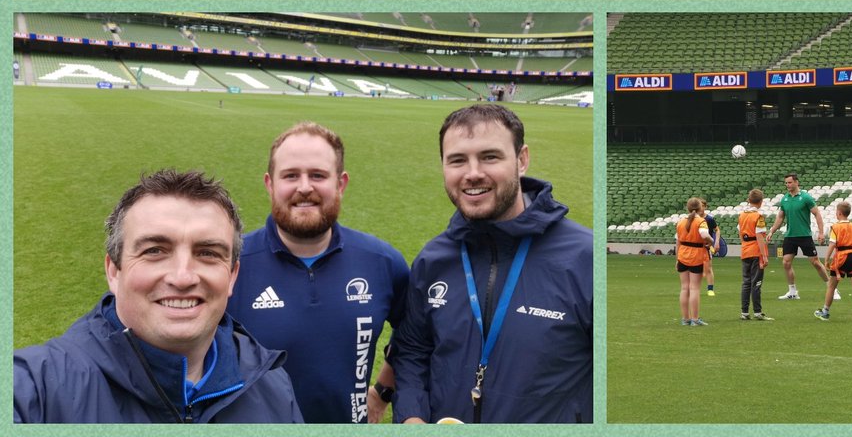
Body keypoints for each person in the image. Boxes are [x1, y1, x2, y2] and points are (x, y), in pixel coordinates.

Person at [13, 168, 304, 423]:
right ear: (114, 271)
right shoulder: (35, 390)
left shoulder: (273, 387)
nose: (182, 277)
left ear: (231, 276)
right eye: (155, 251)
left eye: (207, 253)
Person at [389, 103, 592, 423]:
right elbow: (413, 351)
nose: (472, 173)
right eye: (457, 160)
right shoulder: (433, 260)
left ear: (522, 160)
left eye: (490, 157)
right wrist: (411, 416)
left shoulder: (584, 259)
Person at [226, 124, 410, 424]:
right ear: (269, 184)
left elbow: (417, 337)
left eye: (318, 175)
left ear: (341, 183)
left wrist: (382, 391)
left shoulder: (382, 262)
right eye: (290, 175)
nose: (304, 187)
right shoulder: (231, 265)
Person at [766, 173, 835, 301]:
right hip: (790, 236)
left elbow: (817, 214)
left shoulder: (806, 197)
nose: (787, 185)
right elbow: (780, 217)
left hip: (804, 235)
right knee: (786, 262)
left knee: (815, 262)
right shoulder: (785, 199)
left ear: (797, 182)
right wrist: (771, 231)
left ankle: (832, 288)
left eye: (790, 182)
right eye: (786, 183)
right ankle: (792, 291)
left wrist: (821, 232)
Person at [813, 202, 852, 323]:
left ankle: (825, 311)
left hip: (841, 257)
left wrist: (826, 259)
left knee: (832, 286)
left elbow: (832, 244)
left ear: (839, 213)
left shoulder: (835, 227)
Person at [674, 197, 712, 327]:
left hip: (683, 255)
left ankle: (685, 319)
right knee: (694, 288)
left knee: (684, 288)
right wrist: (711, 242)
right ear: (700, 208)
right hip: (696, 255)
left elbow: (678, 242)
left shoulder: (680, 222)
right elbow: (705, 236)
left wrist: (677, 259)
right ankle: (695, 318)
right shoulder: (701, 221)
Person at [738, 188, 770, 321]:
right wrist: (764, 255)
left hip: (745, 250)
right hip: (756, 251)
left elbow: (740, 233)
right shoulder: (758, 217)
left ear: (749, 200)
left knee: (746, 282)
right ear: (761, 202)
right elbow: (759, 237)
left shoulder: (742, 215)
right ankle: (757, 311)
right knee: (756, 282)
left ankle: (744, 312)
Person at [699, 197, 720, 298]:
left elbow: (717, 230)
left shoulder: (709, 219)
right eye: (699, 206)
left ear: (705, 207)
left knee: (708, 268)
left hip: (706, 247)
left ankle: (710, 289)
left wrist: (716, 242)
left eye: (703, 206)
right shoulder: (693, 219)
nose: (701, 208)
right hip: (695, 247)